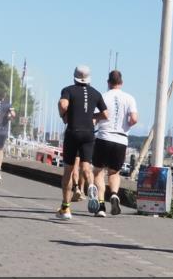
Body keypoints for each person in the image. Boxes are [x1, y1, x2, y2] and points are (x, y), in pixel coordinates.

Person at [56, 65, 107, 220]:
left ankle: (65, 208)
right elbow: (105, 114)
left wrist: (63, 115)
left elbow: (63, 104)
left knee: (69, 171)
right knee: (86, 167)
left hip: (73, 132)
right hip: (88, 133)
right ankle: (91, 187)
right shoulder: (96, 93)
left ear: (74, 77)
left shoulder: (68, 90)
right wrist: (93, 117)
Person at [90, 70, 138, 217]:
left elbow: (95, 119)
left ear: (108, 82)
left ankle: (101, 206)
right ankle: (114, 195)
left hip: (104, 137)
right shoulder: (129, 98)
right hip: (121, 139)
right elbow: (134, 119)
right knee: (114, 172)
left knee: (98, 171)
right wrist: (127, 125)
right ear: (121, 83)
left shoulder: (103, 96)